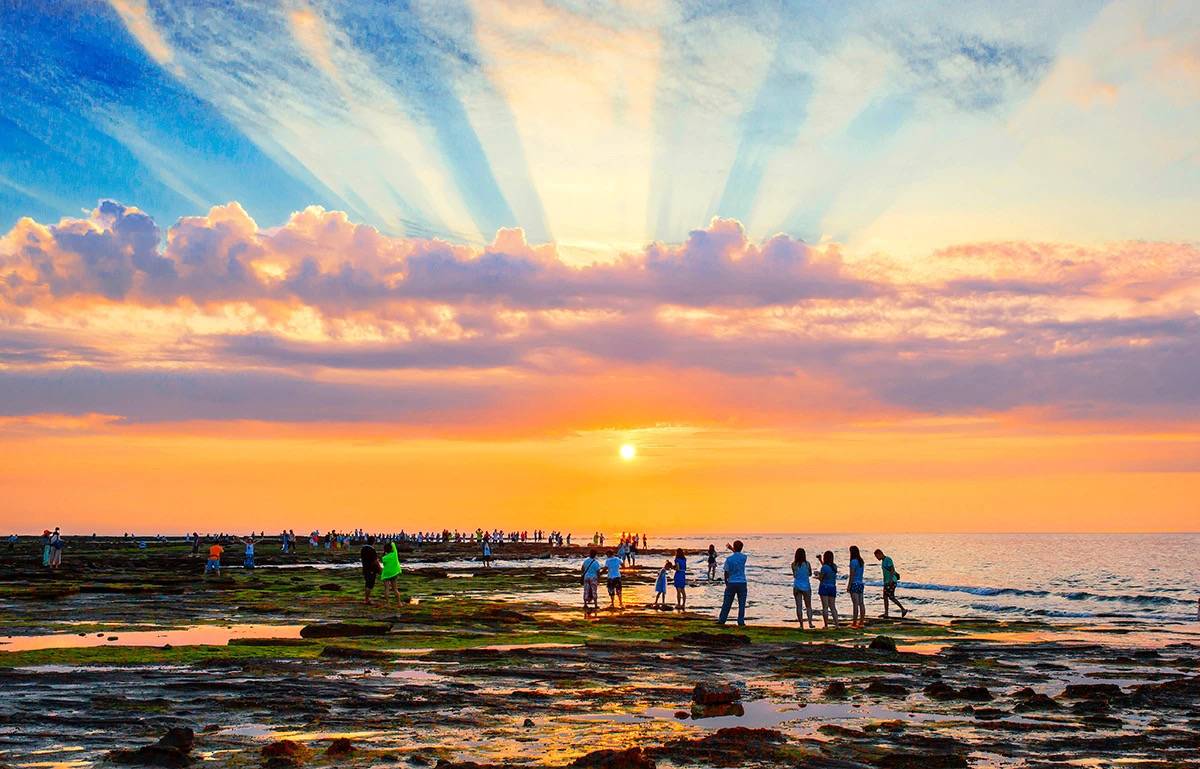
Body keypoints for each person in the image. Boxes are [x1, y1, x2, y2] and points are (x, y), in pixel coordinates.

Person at [716, 540, 749, 626]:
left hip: (732, 582)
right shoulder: (744, 557)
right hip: (742, 582)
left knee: (727, 602)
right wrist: (732, 549)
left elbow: (726, 572)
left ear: (734, 547)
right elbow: (738, 555)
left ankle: (722, 619)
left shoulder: (729, 559)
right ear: (742, 548)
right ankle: (741, 621)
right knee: (742, 603)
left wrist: (726, 581)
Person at [875, 549, 908, 618]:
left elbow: (892, 570)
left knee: (891, 597)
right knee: (885, 597)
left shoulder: (888, 559)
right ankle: (886, 613)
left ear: (880, 553)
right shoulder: (883, 561)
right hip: (887, 582)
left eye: (877, 556)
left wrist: (890, 580)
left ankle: (903, 609)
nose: (877, 558)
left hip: (891, 581)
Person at [791, 547, 815, 628]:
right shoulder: (807, 564)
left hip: (797, 586)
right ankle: (810, 623)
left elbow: (794, 575)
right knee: (808, 606)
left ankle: (801, 625)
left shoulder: (793, 564)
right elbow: (810, 574)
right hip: (806, 586)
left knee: (799, 606)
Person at [818, 550, 839, 628]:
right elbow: (828, 569)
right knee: (833, 607)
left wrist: (818, 575)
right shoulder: (834, 566)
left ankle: (826, 625)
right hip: (832, 587)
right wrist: (820, 561)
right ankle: (837, 624)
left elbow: (821, 578)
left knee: (825, 607)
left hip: (824, 587)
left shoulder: (824, 567)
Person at [379, 541, 403, 609]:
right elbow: (393, 544)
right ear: (391, 549)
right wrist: (390, 542)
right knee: (395, 589)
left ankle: (388, 604)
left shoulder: (384, 558)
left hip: (386, 573)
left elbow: (384, 564)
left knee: (386, 589)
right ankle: (399, 603)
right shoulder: (394, 554)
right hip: (394, 573)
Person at [847, 545, 866, 628]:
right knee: (861, 603)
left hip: (854, 583)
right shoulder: (861, 561)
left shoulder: (853, 562)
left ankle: (854, 622)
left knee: (855, 604)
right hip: (860, 583)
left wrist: (849, 586)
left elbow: (852, 575)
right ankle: (861, 621)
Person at [361, 536, 382, 605]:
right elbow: (375, 561)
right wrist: (380, 569)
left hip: (365, 567)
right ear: (374, 542)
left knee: (367, 583)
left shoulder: (363, 548)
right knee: (370, 584)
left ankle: (366, 598)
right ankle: (367, 599)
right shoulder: (372, 550)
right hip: (371, 569)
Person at [581, 549, 602, 615]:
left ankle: (585, 604)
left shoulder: (586, 561)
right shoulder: (596, 562)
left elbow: (582, 569)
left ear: (590, 554)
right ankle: (595, 605)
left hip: (586, 576)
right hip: (593, 577)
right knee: (594, 591)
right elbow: (598, 572)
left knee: (586, 590)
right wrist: (598, 579)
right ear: (595, 555)